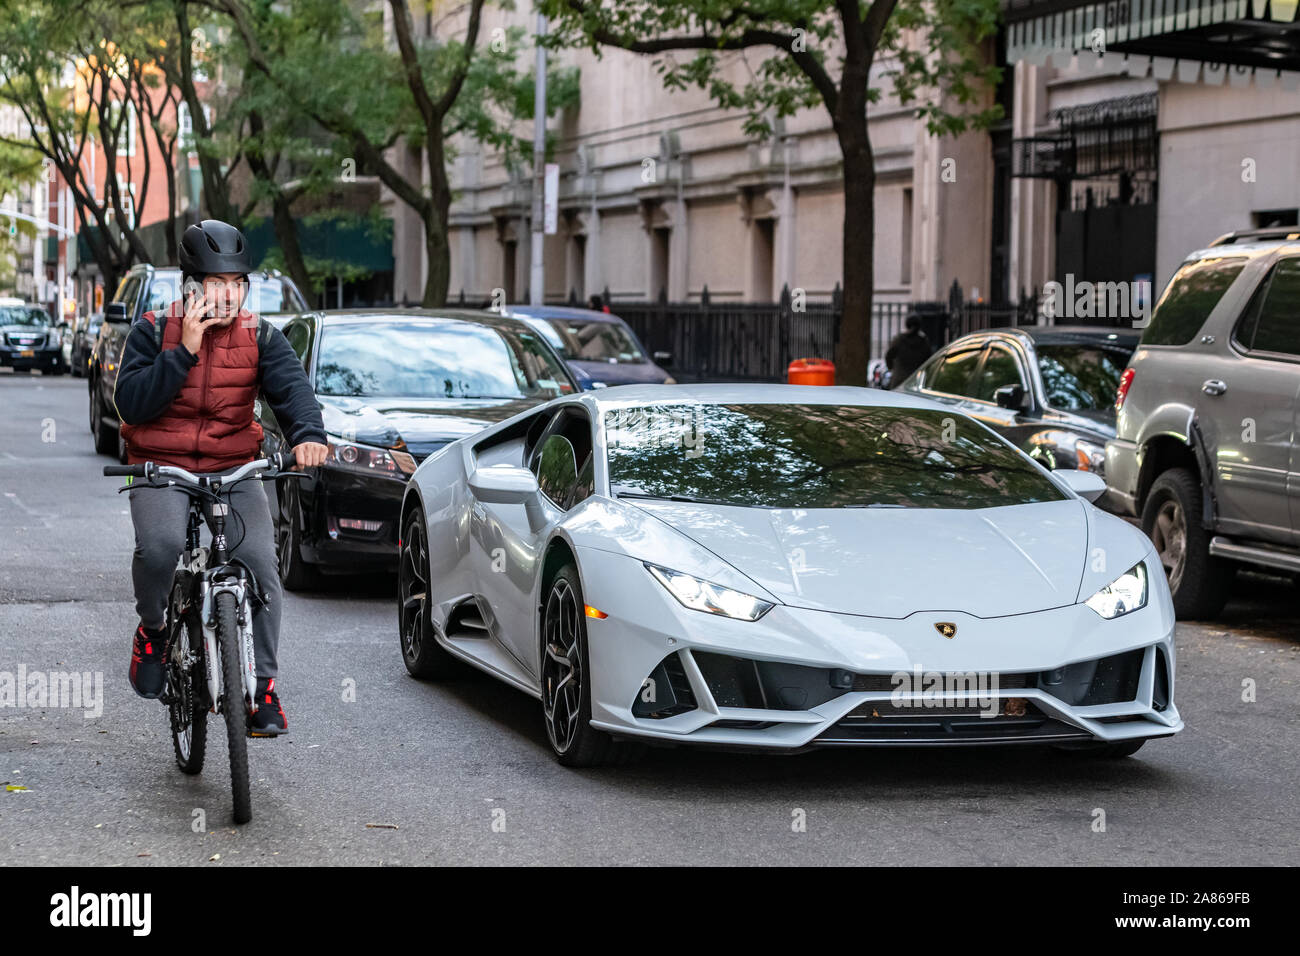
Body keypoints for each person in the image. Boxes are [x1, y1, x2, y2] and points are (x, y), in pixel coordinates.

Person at [112, 220, 329, 735]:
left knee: (260, 564)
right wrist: (183, 350)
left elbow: (293, 394)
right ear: (190, 286)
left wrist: (308, 434)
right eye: (216, 284)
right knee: (161, 547)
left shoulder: (261, 336)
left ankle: (262, 690)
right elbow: (130, 403)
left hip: (234, 469)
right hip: (163, 466)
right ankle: (154, 631)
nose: (229, 295)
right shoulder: (151, 330)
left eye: (238, 284)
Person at [884, 313, 932, 388]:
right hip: (916, 380)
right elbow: (929, 361)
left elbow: (889, 356)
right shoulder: (924, 342)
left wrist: (891, 368)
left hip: (899, 379)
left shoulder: (899, 340)